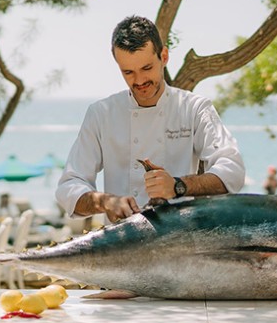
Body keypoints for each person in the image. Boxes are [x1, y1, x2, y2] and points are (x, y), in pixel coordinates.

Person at [56, 15, 246, 223]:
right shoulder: (102, 114)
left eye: (147, 68)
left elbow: (232, 170)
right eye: (128, 72)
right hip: (121, 243)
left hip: (178, 240)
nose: (139, 81)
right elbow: (69, 186)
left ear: (164, 56)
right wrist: (106, 202)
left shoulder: (194, 108)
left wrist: (178, 186)